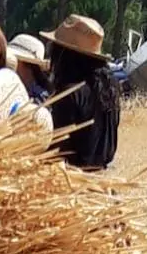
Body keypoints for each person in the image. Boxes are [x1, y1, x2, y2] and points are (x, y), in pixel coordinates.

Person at [41, 15, 120, 170]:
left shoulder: (69, 93)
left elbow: (57, 149)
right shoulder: (111, 87)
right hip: (101, 174)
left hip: (71, 178)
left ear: (64, 54)